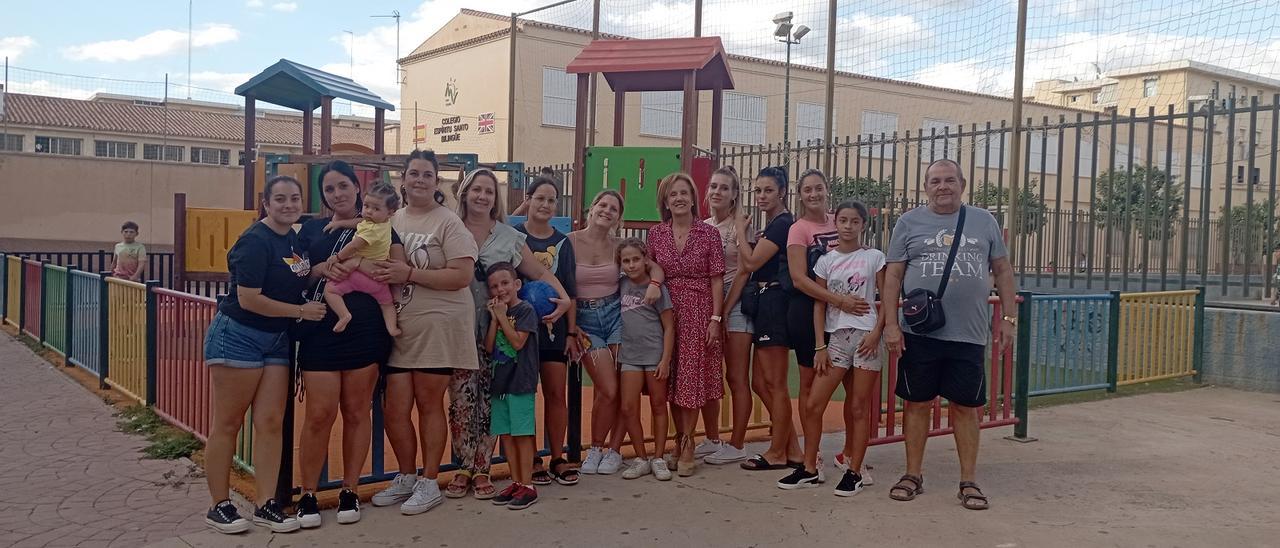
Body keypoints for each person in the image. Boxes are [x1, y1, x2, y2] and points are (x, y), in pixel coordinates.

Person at [882, 158, 1018, 511]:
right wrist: (892, 324)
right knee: (915, 405)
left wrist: (1009, 318)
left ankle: (968, 481)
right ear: (925, 186)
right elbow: (893, 276)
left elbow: (1002, 271)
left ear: (962, 184)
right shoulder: (908, 222)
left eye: (949, 180)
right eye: (935, 181)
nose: (942, 186)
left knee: (966, 408)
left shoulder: (984, 221)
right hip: (919, 332)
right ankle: (913, 474)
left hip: (968, 334)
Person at [201, 175, 323, 535]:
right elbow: (249, 298)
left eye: (294, 198)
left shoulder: (294, 238)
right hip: (239, 336)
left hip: (276, 339)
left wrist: (321, 269)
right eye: (280, 199)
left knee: (271, 422)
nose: (288, 205)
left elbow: (295, 276)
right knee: (228, 423)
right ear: (266, 204)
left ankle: (265, 503)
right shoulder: (255, 241)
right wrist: (301, 312)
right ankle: (219, 505)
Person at [448, 168, 570, 500]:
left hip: (496, 330)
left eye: (489, 191)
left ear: (495, 198)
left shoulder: (508, 236)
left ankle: (483, 467)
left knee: (490, 399)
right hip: (456, 327)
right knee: (460, 402)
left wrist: (565, 299)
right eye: (476, 189)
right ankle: (464, 465)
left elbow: (539, 270)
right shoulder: (447, 226)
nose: (482, 196)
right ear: (465, 192)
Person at [368, 150, 477, 516]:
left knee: (428, 403)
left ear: (436, 182)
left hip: (438, 325)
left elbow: (461, 276)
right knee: (394, 408)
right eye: (413, 173)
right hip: (399, 327)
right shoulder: (390, 218)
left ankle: (430, 481)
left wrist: (409, 274)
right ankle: (406, 475)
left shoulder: (448, 222)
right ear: (403, 179)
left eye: (426, 174)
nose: (419, 179)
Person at [295, 161, 401, 528]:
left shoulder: (381, 224)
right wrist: (323, 268)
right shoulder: (309, 229)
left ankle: (350, 489)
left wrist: (362, 266)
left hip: (366, 330)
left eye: (343, 186)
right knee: (319, 415)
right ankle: (308, 493)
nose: (337, 194)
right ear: (322, 196)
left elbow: (395, 267)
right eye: (329, 189)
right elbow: (296, 272)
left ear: (358, 188)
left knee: (357, 412)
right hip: (321, 329)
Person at [777, 201, 885, 497]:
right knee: (813, 403)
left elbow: (886, 298)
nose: (848, 226)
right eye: (843, 220)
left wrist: (877, 333)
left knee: (859, 406)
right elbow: (819, 303)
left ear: (864, 225)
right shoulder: (826, 260)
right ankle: (810, 468)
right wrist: (819, 345)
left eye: (854, 221)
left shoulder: (874, 257)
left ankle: (854, 472)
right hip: (837, 339)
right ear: (835, 223)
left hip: (866, 339)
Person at [785, 169, 872, 478]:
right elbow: (799, 279)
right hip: (811, 316)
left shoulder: (843, 219)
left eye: (818, 188)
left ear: (827, 190)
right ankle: (813, 458)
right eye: (807, 189)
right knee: (811, 390)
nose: (813, 194)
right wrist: (839, 301)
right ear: (800, 194)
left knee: (854, 392)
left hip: (847, 321)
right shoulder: (799, 229)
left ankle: (851, 455)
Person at [647, 173, 724, 477]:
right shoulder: (656, 234)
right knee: (672, 378)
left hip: (699, 309)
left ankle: (690, 441)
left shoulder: (708, 234)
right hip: (665, 311)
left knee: (691, 378)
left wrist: (716, 318)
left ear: (693, 197)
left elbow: (717, 278)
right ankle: (678, 439)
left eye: (683, 193)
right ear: (665, 202)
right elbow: (649, 265)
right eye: (672, 195)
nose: (678, 198)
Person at [513, 175, 581, 486]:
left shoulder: (563, 243)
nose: (545, 204)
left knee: (556, 394)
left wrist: (570, 332)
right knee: (524, 396)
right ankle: (532, 459)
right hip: (521, 331)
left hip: (554, 333)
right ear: (528, 200)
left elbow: (570, 290)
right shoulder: (513, 237)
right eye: (540, 198)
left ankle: (557, 456)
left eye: (551, 200)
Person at [734, 167, 802, 471]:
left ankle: (778, 451)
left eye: (768, 190)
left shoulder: (782, 224)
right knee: (760, 382)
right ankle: (793, 449)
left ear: (783, 192)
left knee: (773, 383)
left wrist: (739, 233)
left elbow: (750, 261)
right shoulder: (774, 224)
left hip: (774, 303)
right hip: (764, 302)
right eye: (758, 190)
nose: (761, 196)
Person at [699, 166, 752, 465]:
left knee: (735, 375)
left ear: (734, 195)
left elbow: (745, 270)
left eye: (724, 188)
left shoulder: (740, 225)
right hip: (710, 302)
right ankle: (711, 437)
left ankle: (738, 443)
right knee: (709, 372)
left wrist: (723, 313)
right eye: (714, 186)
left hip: (735, 302)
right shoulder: (704, 226)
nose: (717, 192)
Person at [482, 262, 542, 510]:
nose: (500, 289)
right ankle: (516, 480)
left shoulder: (525, 310)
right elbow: (488, 347)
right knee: (506, 434)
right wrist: (496, 319)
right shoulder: (496, 313)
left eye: (505, 283)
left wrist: (501, 316)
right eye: (494, 286)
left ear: (517, 284)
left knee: (522, 434)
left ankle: (528, 484)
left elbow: (517, 342)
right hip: (500, 382)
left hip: (520, 382)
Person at [615, 238, 674, 481]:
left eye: (635, 259)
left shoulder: (657, 288)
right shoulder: (620, 284)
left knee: (659, 405)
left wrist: (665, 360)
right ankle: (641, 457)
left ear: (645, 260)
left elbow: (669, 327)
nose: (631, 265)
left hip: (653, 354)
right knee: (628, 407)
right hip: (630, 355)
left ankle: (658, 457)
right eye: (626, 261)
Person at [321, 181, 402, 336]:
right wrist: (342, 223)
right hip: (379, 280)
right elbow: (360, 222)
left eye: (376, 208)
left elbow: (354, 246)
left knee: (330, 290)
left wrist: (337, 257)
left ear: (391, 212)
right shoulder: (384, 223)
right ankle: (392, 328)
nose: (369, 212)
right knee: (386, 304)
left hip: (360, 275)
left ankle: (344, 315)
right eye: (366, 206)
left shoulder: (372, 231)